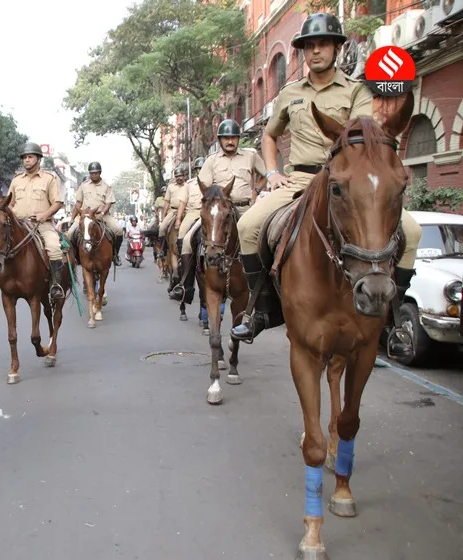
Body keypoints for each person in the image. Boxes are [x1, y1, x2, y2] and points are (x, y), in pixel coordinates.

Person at [229, 13, 422, 357]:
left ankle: (393, 319)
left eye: (323, 44)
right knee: (247, 226)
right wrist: (273, 172)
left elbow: (365, 134)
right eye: (309, 46)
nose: (315, 51)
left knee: (412, 232)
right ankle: (260, 310)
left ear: (337, 48)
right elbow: (270, 136)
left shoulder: (357, 90)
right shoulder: (290, 93)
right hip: (301, 177)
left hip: (344, 180)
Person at [0, 142, 66, 300]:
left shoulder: (49, 179)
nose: (26, 160)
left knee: (54, 247)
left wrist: (45, 214)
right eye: (24, 157)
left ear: (38, 159)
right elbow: (9, 203)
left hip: (41, 223)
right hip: (18, 223)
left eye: (30, 157)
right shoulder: (17, 180)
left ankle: (55, 285)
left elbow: (58, 202)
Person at [67, 161, 124, 265]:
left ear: (100, 173)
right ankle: (75, 256)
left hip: (102, 215)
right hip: (86, 216)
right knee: (70, 234)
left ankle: (115, 255)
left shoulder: (106, 186)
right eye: (92, 173)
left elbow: (108, 203)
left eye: (96, 173)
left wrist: (102, 213)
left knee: (119, 230)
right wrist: (72, 218)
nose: (94, 175)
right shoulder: (83, 186)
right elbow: (78, 203)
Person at [169, 158, 205, 302]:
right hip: (193, 213)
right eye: (198, 169)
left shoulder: (214, 182)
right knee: (183, 237)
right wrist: (178, 219)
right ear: (196, 170)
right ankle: (185, 282)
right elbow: (183, 203)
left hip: (208, 213)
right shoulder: (190, 185)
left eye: (203, 168)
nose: (200, 171)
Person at [158, 168, 187, 257]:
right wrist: (163, 216)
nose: (179, 178)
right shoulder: (170, 187)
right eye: (177, 176)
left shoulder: (188, 186)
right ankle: (163, 250)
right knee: (162, 228)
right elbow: (166, 202)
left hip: (186, 211)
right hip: (173, 211)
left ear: (184, 176)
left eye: (180, 176)